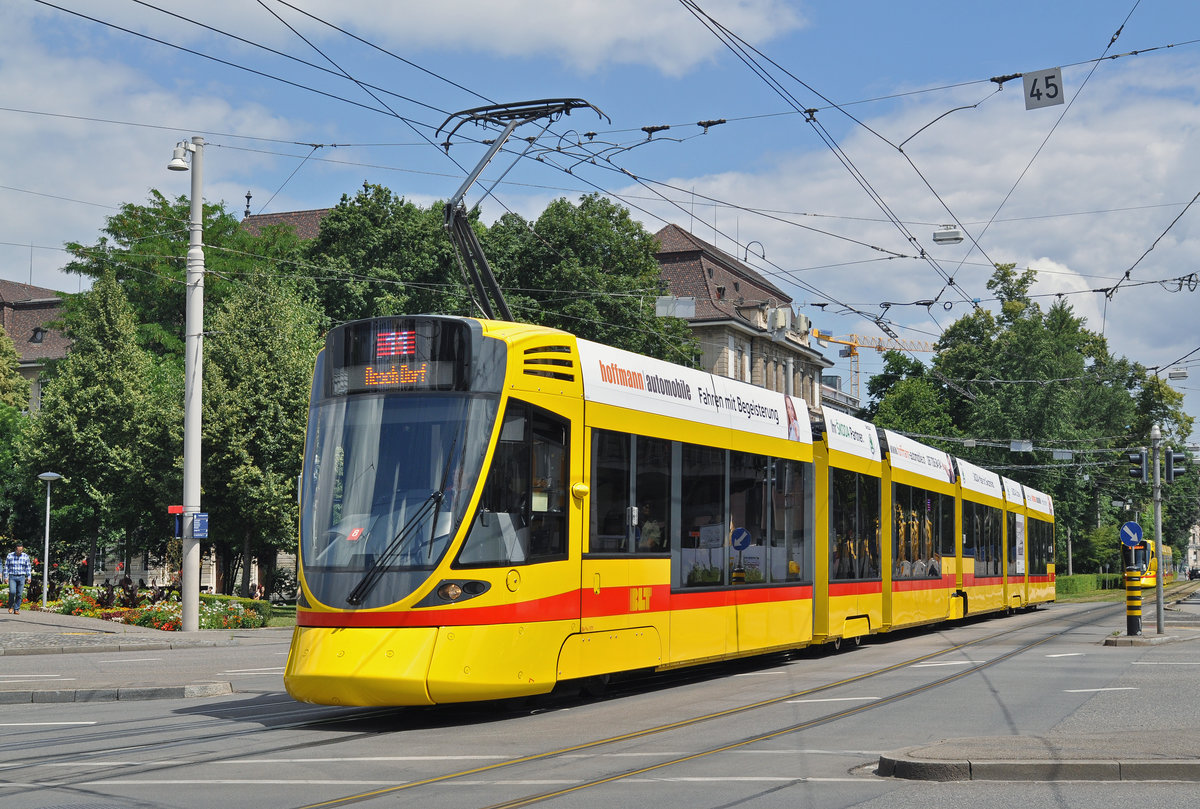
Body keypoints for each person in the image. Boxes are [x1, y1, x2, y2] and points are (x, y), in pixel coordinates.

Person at [3, 542, 33, 614]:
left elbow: (28, 567)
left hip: (21, 576)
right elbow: (6, 566)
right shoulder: (10, 556)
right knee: (12, 592)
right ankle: (10, 606)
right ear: (15, 550)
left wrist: (29, 577)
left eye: (21, 550)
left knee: (19, 594)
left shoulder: (25, 556)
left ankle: (16, 609)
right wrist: (5, 577)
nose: (19, 552)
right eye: (18, 550)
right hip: (12, 576)